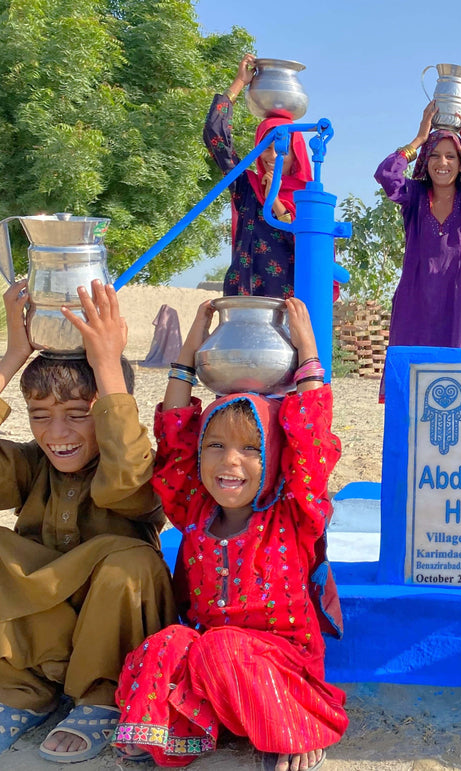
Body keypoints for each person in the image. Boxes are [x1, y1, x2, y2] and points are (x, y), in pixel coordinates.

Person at [112, 297, 347, 771]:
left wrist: (307, 355)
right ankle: (177, 733)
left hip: (281, 669)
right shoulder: (194, 510)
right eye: (215, 446)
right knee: (168, 643)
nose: (229, 462)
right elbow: (174, 439)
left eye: (250, 449)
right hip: (211, 669)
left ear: (277, 461)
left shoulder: (292, 516)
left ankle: (295, 728)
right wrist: (186, 357)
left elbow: (312, 441)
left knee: (222, 647)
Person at [0, 279, 175, 763]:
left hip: (108, 625)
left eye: (78, 415)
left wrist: (108, 368)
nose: (57, 435)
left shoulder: (136, 462)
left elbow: (129, 483)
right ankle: (20, 690)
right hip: (44, 629)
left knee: (132, 564)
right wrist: (14, 354)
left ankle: (102, 697)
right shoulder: (32, 463)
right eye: (40, 416)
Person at [375, 101, 461, 361]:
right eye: (434, 155)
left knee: (457, 376)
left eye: (451, 156)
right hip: (415, 304)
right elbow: (386, 174)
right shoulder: (413, 196)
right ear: (426, 161)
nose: (442, 162)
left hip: (458, 304)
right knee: (412, 377)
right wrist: (418, 139)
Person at [204, 53, 313, 298]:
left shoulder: (309, 199)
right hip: (242, 299)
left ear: (297, 152)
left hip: (287, 308)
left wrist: (275, 202)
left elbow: (310, 251)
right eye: (266, 146)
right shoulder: (247, 186)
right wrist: (239, 83)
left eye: (282, 148)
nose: (272, 155)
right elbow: (215, 136)